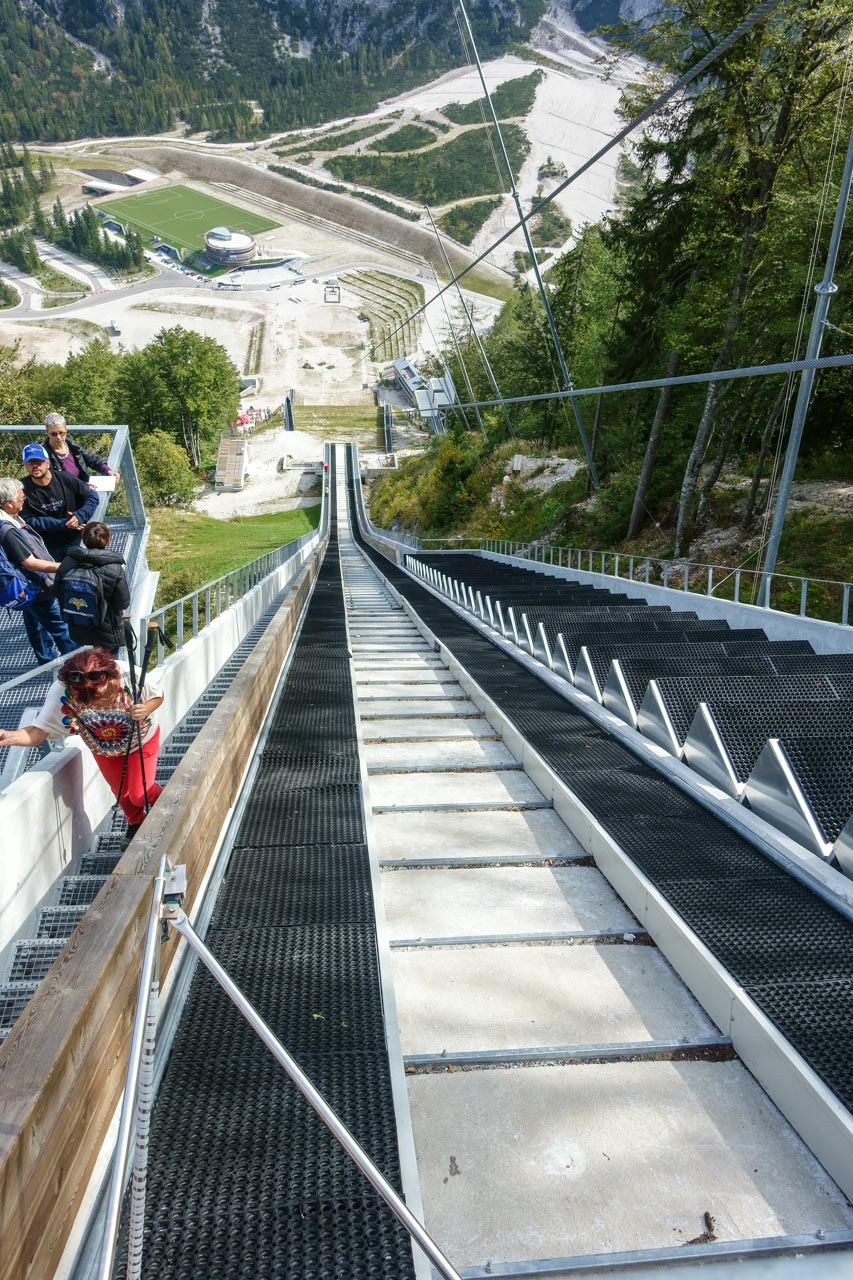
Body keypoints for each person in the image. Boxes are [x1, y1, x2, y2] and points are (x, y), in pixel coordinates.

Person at [0, 646, 164, 838]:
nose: (96, 703)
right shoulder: (62, 691)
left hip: (141, 741)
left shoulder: (129, 674)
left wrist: (145, 709)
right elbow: (37, 733)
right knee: (120, 793)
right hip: (103, 749)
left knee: (139, 794)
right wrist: (7, 737)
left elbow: (158, 695)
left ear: (110, 676)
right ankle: (136, 822)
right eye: (87, 699)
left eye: (100, 696)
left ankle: (166, 803)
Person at [0, 476, 77, 665]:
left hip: (26, 588)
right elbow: (30, 563)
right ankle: (80, 670)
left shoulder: (10, 519)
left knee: (34, 622)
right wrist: (64, 566)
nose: (23, 500)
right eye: (21, 498)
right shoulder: (7, 530)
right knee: (61, 629)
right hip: (37, 586)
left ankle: (45, 661)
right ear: (9, 503)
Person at [54, 521, 131, 653]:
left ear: (84, 540)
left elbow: (57, 591)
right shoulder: (114, 568)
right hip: (107, 630)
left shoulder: (68, 562)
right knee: (108, 666)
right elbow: (123, 603)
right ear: (108, 541)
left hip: (78, 627)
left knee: (85, 663)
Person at [21, 443, 98, 558]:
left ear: (48, 463)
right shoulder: (21, 489)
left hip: (75, 539)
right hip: (45, 545)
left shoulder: (65, 478)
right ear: (25, 465)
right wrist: (64, 524)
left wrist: (80, 516)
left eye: (39, 461)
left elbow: (92, 497)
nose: (35, 466)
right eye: (31, 463)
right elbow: (28, 521)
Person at [44, 412, 116, 483]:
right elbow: (53, 484)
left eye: (61, 432)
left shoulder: (72, 445)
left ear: (66, 430)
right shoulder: (43, 454)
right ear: (47, 432)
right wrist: (82, 487)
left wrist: (107, 470)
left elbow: (91, 458)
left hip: (83, 488)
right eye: (53, 434)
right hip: (66, 493)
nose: (58, 437)